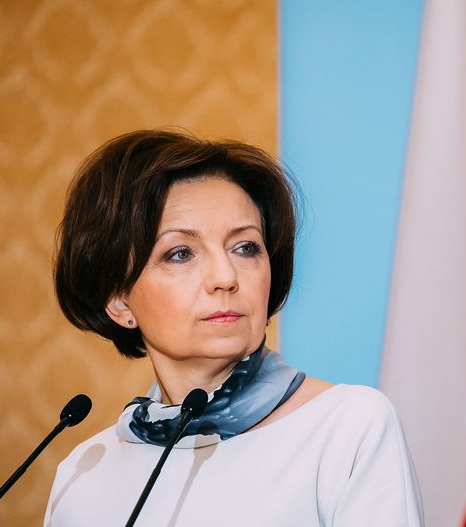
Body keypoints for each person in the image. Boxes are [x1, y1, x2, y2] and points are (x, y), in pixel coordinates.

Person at [45, 129, 423, 526]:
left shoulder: (348, 428)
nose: (225, 277)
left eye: (245, 247)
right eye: (180, 253)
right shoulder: (83, 475)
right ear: (120, 301)